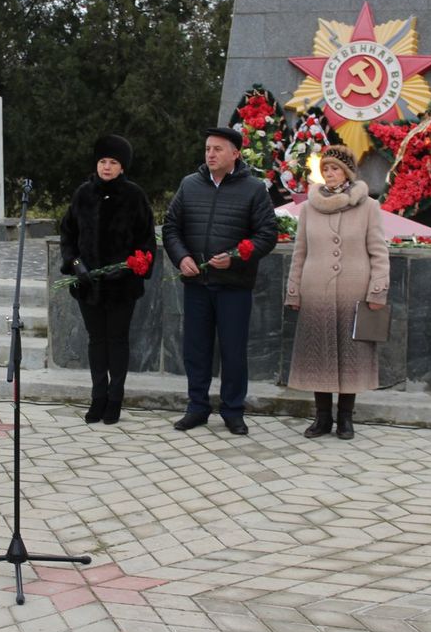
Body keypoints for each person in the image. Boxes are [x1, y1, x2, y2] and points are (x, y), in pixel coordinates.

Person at [162, 127, 279, 435]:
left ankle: (232, 410)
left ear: (235, 154)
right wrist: (181, 257)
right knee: (196, 349)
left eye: (217, 149)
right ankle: (197, 407)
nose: (210, 154)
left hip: (234, 284)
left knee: (233, 350)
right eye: (207, 149)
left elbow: (267, 235)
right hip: (197, 284)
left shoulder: (254, 189)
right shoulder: (190, 185)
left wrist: (236, 258)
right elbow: (171, 227)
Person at [284, 145, 389, 440]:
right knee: (319, 354)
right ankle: (322, 419)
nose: (329, 174)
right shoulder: (308, 208)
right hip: (315, 290)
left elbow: (378, 252)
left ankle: (345, 419)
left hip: (354, 292)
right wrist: (294, 291)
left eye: (335, 169)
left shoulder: (368, 207)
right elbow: (300, 252)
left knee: (350, 355)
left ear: (347, 173)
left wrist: (377, 290)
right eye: (326, 169)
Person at [59, 134, 157, 425]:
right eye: (103, 161)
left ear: (122, 167)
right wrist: (75, 264)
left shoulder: (135, 196)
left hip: (121, 286)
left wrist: (128, 268)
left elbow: (146, 240)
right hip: (88, 284)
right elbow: (68, 233)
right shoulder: (83, 194)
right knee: (96, 340)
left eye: (113, 162)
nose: (106, 167)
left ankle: (115, 399)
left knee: (117, 340)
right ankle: (97, 397)